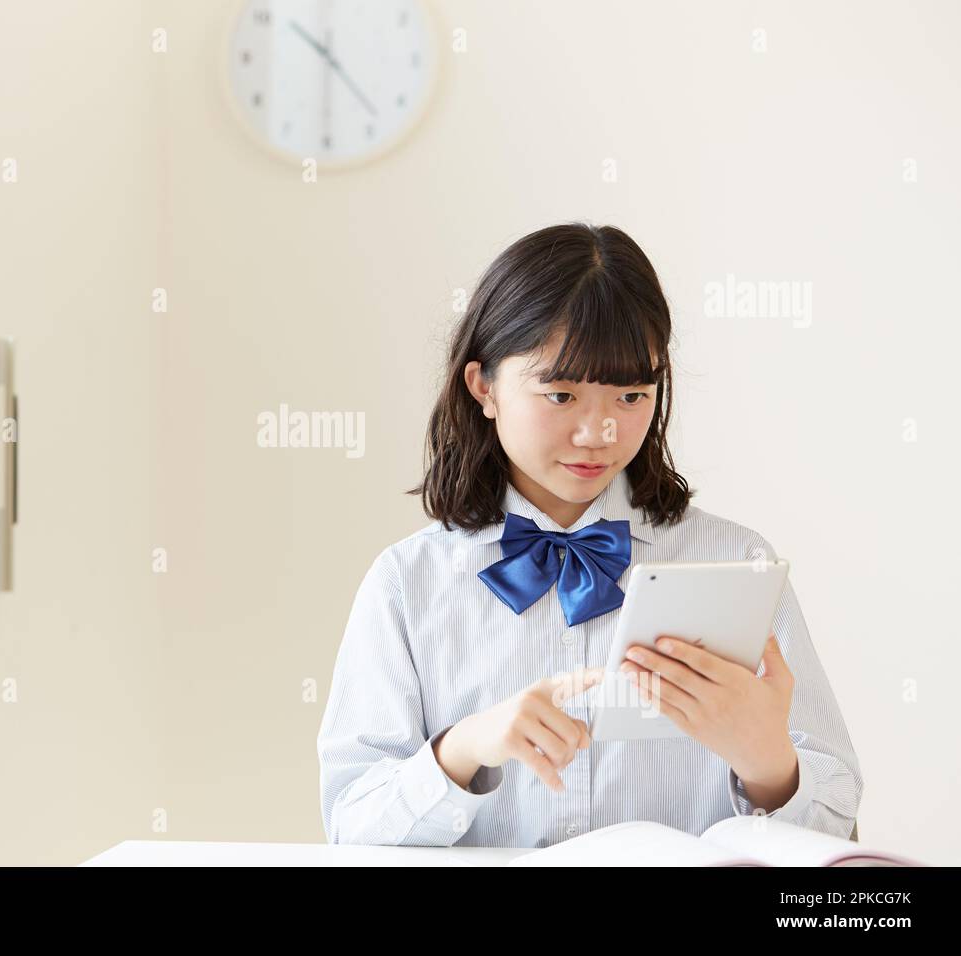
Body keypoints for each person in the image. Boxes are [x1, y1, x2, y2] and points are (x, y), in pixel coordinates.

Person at [317, 223, 862, 847]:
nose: (598, 431)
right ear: (484, 386)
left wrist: (770, 767)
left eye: (632, 394)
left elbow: (838, 832)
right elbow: (350, 828)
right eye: (561, 393)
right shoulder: (407, 584)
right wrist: (464, 748)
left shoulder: (738, 562)